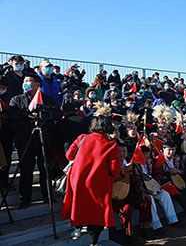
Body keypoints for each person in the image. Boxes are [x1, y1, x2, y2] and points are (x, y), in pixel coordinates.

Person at [61, 110, 121, 246]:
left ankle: (77, 229)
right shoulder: (111, 144)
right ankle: (93, 242)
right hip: (98, 182)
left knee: (78, 204)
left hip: (78, 178)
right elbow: (114, 169)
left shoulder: (82, 138)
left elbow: (69, 155)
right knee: (97, 213)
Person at [8, 74, 61, 208]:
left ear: (38, 84)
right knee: (26, 169)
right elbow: (12, 115)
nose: (26, 83)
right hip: (25, 139)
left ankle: (48, 195)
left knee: (45, 169)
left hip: (44, 138)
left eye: (30, 81)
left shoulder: (48, 100)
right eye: (25, 81)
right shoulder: (17, 100)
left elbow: (57, 114)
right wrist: (28, 114)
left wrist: (45, 113)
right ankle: (25, 198)